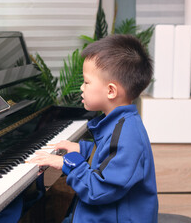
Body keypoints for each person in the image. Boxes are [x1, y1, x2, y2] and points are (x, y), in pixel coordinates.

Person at [29, 34, 158, 222]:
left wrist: (67, 163)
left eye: (86, 82)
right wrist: (82, 149)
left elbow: (98, 190)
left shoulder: (127, 134)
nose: (81, 87)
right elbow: (110, 156)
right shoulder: (119, 123)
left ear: (111, 91)